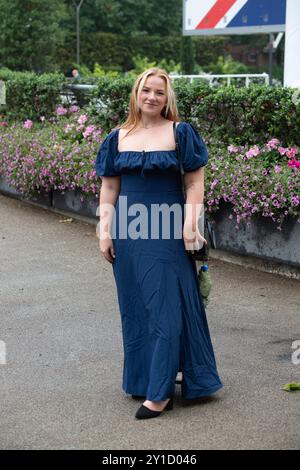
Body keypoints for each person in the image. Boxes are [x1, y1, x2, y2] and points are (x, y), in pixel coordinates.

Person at [95, 67, 223, 420]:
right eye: (146, 90)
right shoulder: (116, 137)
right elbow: (109, 188)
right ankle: (145, 378)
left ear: (168, 99)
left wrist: (190, 226)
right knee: (136, 308)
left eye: (159, 92)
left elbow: (195, 185)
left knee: (165, 307)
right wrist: (105, 232)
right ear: (136, 93)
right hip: (128, 232)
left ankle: (160, 393)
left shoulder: (180, 133)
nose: (152, 97)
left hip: (167, 229)